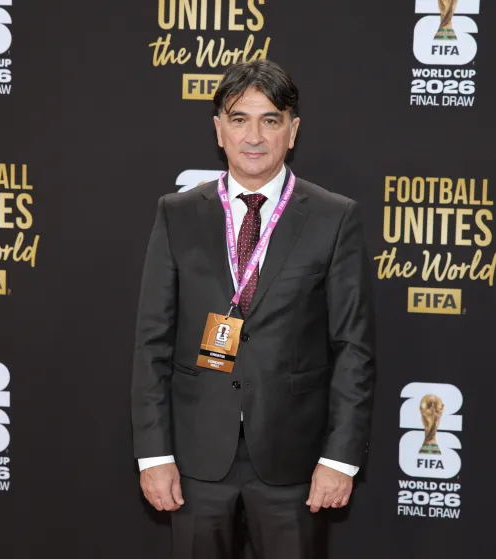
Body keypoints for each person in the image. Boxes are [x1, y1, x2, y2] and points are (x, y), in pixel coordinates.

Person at [131, 59, 376, 559]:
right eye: (239, 119)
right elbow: (152, 341)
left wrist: (340, 460)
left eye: (270, 120)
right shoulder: (176, 213)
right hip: (196, 460)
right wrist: (154, 453)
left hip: (295, 463)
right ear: (219, 130)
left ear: (293, 130)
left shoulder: (334, 217)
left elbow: (353, 347)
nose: (254, 135)